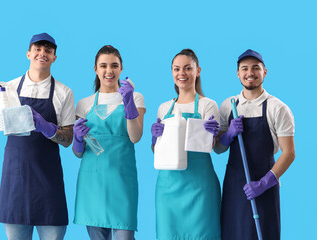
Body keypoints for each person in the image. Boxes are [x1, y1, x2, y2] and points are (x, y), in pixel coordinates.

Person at [0, 33, 75, 240]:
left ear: (54, 57)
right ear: (28, 53)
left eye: (48, 50)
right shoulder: (7, 88)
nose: (43, 53)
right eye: (38, 49)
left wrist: (46, 127)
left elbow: (68, 139)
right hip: (15, 183)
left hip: (49, 185)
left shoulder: (64, 93)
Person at [215, 49, 295, 240]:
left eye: (255, 68)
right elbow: (218, 148)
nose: (250, 73)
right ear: (238, 73)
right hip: (235, 186)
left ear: (264, 72)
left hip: (265, 186)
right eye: (244, 69)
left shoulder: (278, 108)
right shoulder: (228, 105)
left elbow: (289, 153)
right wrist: (229, 135)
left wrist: (264, 183)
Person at [72, 45, 146, 240]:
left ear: (121, 68)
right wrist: (78, 138)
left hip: (122, 180)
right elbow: (78, 152)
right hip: (92, 183)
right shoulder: (84, 103)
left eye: (114, 65)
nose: (109, 71)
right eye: (103, 66)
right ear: (95, 69)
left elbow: (135, 136)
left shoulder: (135, 97)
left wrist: (128, 100)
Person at [151, 49, 221, 240]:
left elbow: (214, 146)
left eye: (187, 68)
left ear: (198, 71)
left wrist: (212, 135)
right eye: (176, 69)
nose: (181, 73)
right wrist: (154, 138)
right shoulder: (164, 108)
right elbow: (157, 150)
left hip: (200, 187)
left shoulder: (208, 105)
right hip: (168, 188)